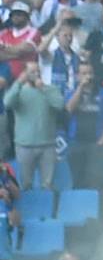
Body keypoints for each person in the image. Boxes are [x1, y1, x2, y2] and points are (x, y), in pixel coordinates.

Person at [4, 56, 64, 191]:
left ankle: (46, 210)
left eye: (38, 71)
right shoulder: (18, 92)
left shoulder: (51, 89)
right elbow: (7, 103)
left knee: (47, 185)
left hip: (47, 144)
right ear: (25, 73)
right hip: (25, 145)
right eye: (32, 72)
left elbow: (59, 105)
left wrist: (44, 89)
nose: (36, 74)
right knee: (25, 184)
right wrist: (18, 83)